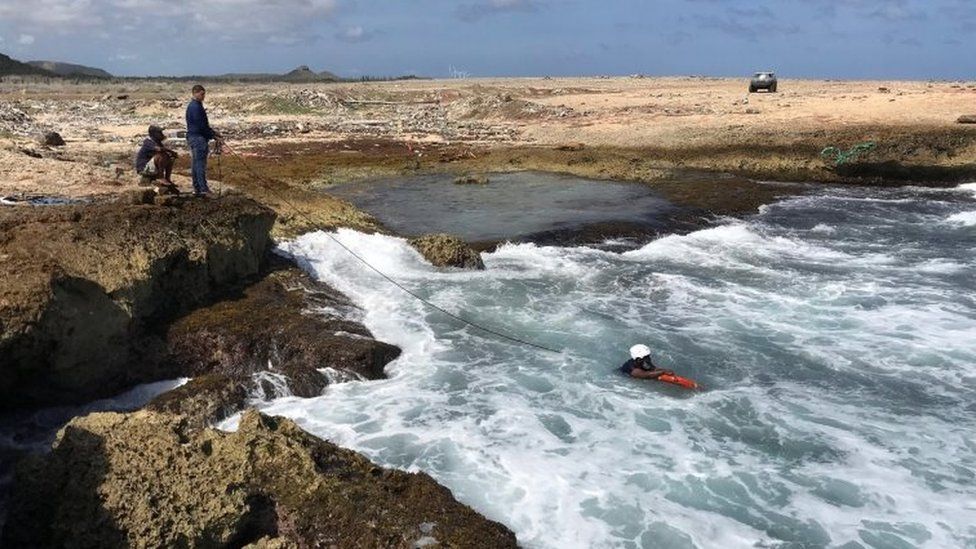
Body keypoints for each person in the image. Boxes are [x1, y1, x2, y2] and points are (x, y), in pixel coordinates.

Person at [185, 84, 223, 197]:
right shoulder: (196, 107)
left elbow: (203, 125)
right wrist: (213, 135)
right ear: (195, 93)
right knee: (200, 165)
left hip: (193, 137)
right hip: (198, 139)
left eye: (204, 94)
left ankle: (197, 188)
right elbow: (201, 126)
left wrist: (213, 133)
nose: (203, 96)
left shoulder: (193, 105)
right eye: (202, 94)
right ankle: (203, 189)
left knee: (195, 164)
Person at [135, 125, 179, 193]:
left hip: (151, 166)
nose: (161, 134)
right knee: (161, 155)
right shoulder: (148, 142)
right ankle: (160, 177)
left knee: (170, 157)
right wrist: (171, 151)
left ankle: (167, 178)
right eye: (159, 133)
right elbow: (159, 149)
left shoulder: (158, 142)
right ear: (154, 134)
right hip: (143, 167)